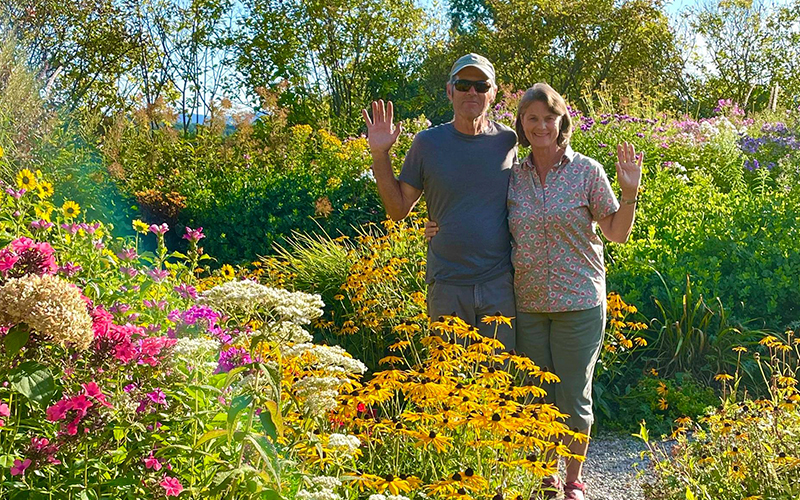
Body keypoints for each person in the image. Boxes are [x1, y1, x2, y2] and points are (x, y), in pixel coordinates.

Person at [426, 83, 642, 500]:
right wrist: (437, 226)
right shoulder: (513, 176)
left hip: (578, 303)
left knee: (574, 396)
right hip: (525, 304)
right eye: (532, 119)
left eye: (549, 117)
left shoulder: (587, 171)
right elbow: (475, 208)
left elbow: (616, 233)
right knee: (536, 397)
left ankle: (574, 479)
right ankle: (546, 478)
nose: (541, 125)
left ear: (562, 121)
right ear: (522, 126)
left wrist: (630, 193)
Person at [361, 53, 518, 350]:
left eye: (481, 86)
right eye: (463, 84)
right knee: (447, 382)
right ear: (449, 90)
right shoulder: (427, 144)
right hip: (447, 285)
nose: (472, 92)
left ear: (493, 93)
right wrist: (380, 154)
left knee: (499, 384)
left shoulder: (508, 141)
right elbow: (398, 210)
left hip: (499, 285)